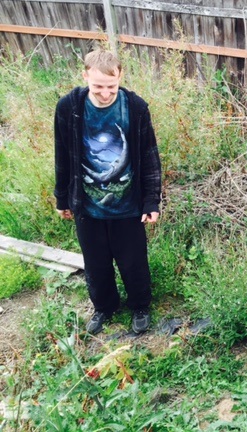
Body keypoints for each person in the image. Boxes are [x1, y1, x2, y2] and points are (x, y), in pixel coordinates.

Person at [54, 49, 162, 335]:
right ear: (85, 76)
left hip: (129, 207)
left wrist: (152, 200)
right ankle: (104, 307)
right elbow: (62, 155)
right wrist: (62, 198)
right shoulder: (68, 107)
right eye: (98, 86)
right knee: (96, 264)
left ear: (120, 76)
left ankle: (140, 306)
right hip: (87, 206)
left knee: (133, 261)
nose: (105, 93)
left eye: (111, 87)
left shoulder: (135, 107)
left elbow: (150, 156)